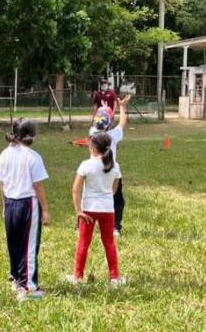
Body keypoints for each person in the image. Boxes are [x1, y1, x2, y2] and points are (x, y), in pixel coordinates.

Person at [0, 118, 50, 301]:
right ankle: (27, 288)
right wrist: (46, 210)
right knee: (28, 246)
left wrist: (4, 205)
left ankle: (16, 278)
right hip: (27, 204)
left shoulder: (4, 154)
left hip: (10, 202)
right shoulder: (32, 157)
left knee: (14, 242)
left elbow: (1, 183)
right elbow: (38, 186)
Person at [65, 132, 125, 287]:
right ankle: (114, 277)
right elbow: (114, 189)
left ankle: (77, 276)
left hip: (88, 209)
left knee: (84, 242)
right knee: (109, 242)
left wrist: (78, 210)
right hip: (107, 209)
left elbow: (75, 189)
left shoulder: (86, 165)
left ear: (92, 147)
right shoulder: (115, 165)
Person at [107, 95, 131, 235]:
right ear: (110, 122)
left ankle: (82, 224)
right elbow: (122, 122)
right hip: (112, 173)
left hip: (94, 173)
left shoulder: (92, 134)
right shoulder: (113, 135)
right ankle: (115, 227)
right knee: (117, 200)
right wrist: (122, 106)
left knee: (89, 198)